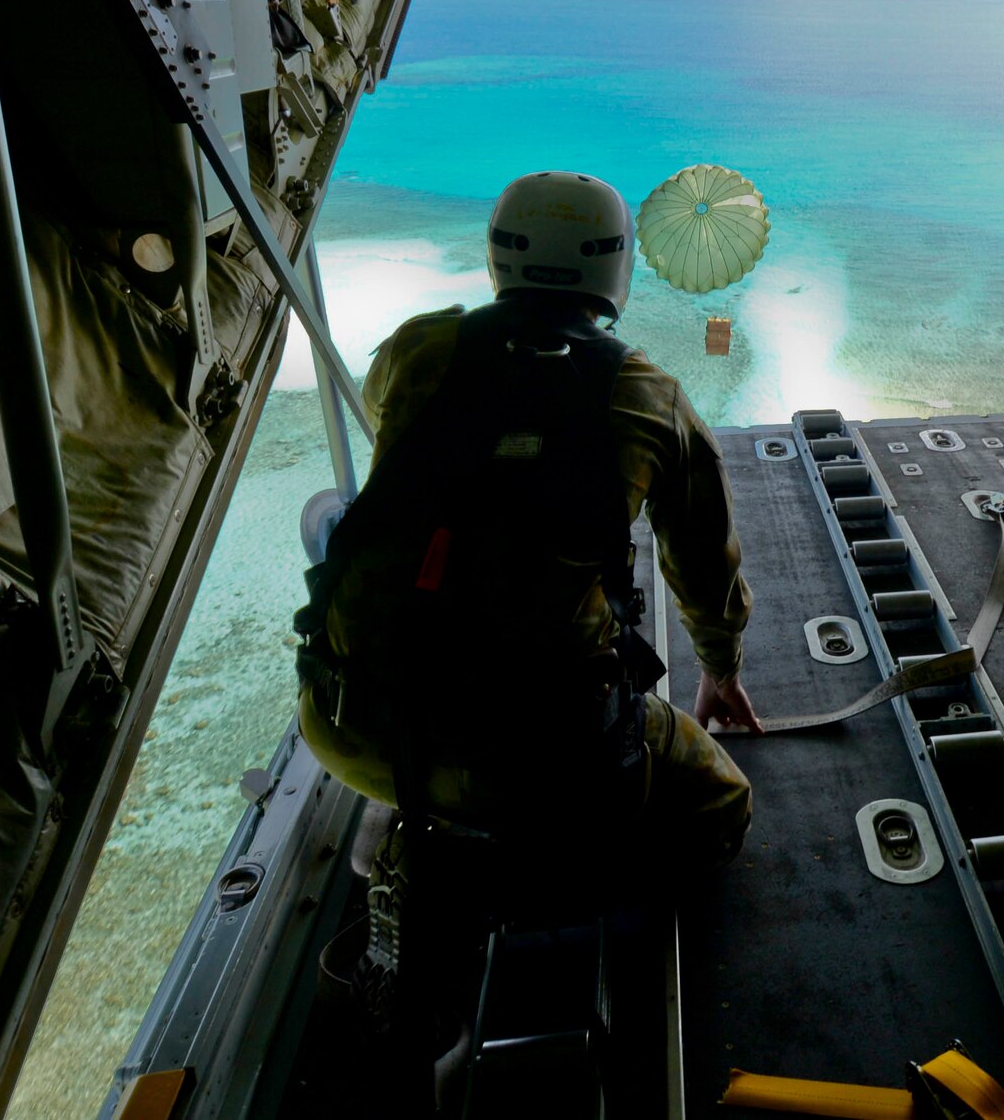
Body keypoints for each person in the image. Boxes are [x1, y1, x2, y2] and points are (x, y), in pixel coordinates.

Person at [295, 170, 761, 878]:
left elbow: (382, 410)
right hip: (545, 762)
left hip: (350, 728)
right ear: (618, 267)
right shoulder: (650, 398)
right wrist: (720, 670)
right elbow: (704, 565)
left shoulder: (417, 347)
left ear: (497, 257)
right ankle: (557, 862)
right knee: (724, 803)